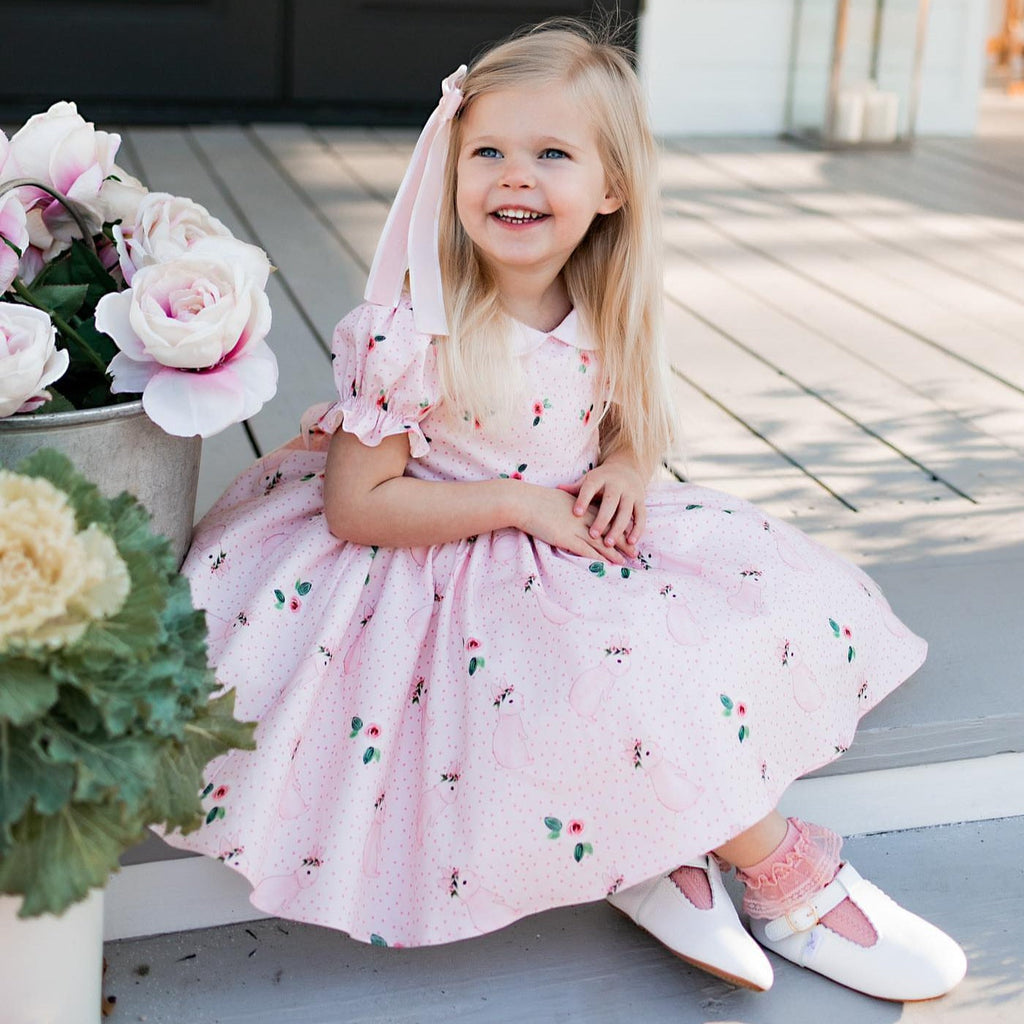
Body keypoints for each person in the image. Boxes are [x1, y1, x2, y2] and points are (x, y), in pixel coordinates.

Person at [164, 19, 966, 1001]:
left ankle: (657, 841)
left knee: (714, 621)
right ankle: (779, 868)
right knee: (589, 664)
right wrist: (513, 501)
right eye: (488, 153)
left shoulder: (605, 302)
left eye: (551, 154)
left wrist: (628, 467)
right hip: (428, 557)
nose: (514, 177)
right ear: (449, 171)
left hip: (570, 533)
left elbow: (629, 423)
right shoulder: (411, 332)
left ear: (611, 188)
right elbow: (357, 508)